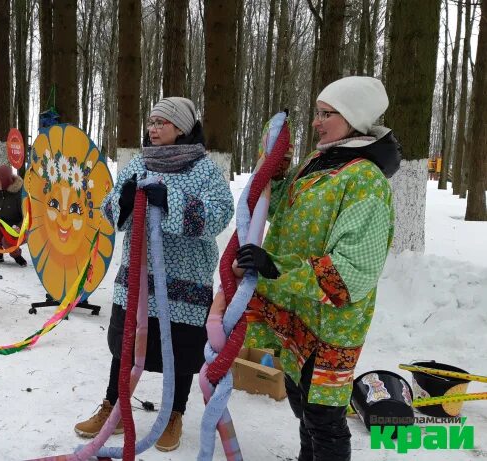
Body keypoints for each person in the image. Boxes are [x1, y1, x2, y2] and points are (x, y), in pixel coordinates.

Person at [240, 76, 399, 461]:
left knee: (324, 417)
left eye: (326, 114)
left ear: (353, 119)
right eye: (317, 112)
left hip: (331, 326)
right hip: (301, 313)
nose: (316, 121)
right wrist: (273, 171)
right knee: (301, 401)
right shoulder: (321, 160)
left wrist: (276, 268)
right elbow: (285, 209)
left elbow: (351, 271)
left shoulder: (365, 181)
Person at [75, 97, 234, 452]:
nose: (153, 128)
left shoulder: (204, 169)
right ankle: (113, 407)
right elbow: (109, 208)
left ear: (181, 128)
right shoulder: (138, 164)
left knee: (180, 350)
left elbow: (221, 213)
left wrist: (171, 201)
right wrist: (127, 200)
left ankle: (173, 414)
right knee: (125, 346)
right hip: (137, 277)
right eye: (151, 121)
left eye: (162, 122)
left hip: (186, 281)